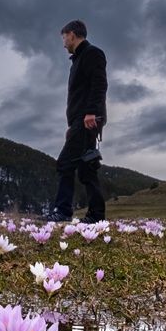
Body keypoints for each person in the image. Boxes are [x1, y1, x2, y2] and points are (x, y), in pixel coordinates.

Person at [48, 19, 108, 223]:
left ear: (72, 34)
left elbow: (99, 84)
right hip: (80, 122)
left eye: (64, 37)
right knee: (86, 168)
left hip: (87, 120)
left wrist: (91, 112)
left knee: (65, 164)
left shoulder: (92, 53)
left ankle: (63, 211)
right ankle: (96, 215)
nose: (63, 42)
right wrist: (71, 125)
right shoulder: (77, 61)